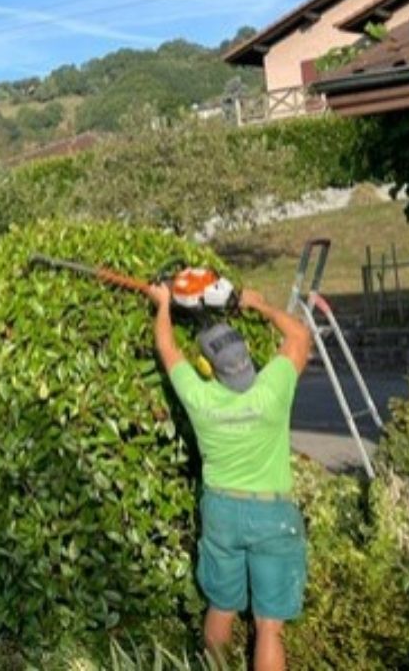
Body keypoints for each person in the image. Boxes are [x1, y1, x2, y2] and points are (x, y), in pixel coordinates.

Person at [148, 281, 313, 671]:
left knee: (220, 606)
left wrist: (163, 304)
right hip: (272, 514)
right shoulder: (273, 387)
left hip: (221, 512)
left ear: (208, 367)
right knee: (269, 625)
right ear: (248, 354)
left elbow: (167, 350)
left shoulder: (201, 398)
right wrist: (259, 305)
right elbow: (299, 336)